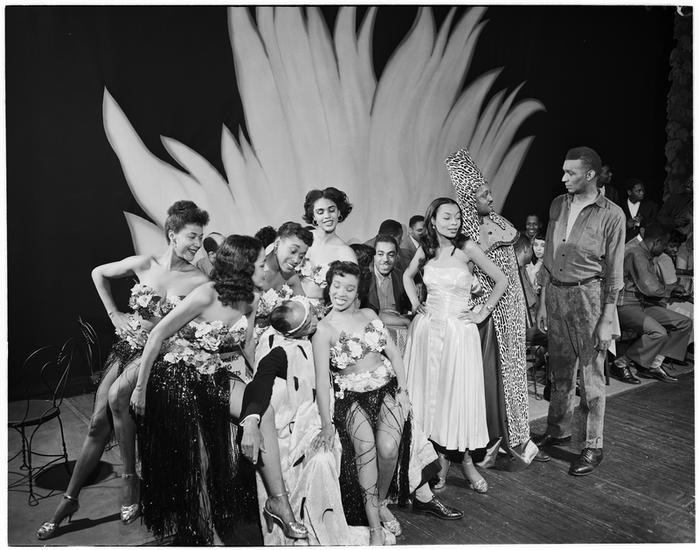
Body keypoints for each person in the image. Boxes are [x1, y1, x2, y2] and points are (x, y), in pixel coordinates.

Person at [36, 200, 210, 540]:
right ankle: (69, 500)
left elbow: (196, 323)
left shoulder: (198, 279)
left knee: (117, 400)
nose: (197, 244)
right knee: (96, 425)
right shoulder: (145, 263)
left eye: (200, 238)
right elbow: (97, 273)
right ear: (172, 234)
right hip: (125, 349)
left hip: (157, 357)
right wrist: (114, 313)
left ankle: (130, 479)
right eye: (192, 236)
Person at [130, 235, 308, 544]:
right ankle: (206, 530)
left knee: (263, 412)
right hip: (176, 377)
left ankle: (277, 501)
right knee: (199, 458)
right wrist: (140, 388)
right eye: (259, 265)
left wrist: (260, 383)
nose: (265, 270)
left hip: (212, 374)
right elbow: (157, 335)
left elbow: (248, 346)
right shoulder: (205, 295)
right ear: (242, 268)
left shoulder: (251, 299)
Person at [403, 195, 508, 493]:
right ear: (433, 220)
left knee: (458, 397)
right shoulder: (426, 249)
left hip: (459, 333)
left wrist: (482, 312)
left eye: (457, 217)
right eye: (447, 217)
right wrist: (415, 303)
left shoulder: (468, 248)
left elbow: (501, 280)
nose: (454, 223)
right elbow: (407, 276)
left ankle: (466, 462)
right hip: (427, 331)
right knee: (431, 398)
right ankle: (438, 460)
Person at [449, 149, 546, 470]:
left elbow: (515, 266)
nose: (491, 198)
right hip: (490, 315)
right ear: (468, 197)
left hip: (512, 308)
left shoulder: (498, 223)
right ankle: (496, 442)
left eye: (489, 192)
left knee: (513, 372)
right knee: (493, 378)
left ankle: (516, 437)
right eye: (484, 194)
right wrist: (481, 303)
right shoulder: (464, 234)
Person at [533, 146, 626, 476]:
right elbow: (548, 255)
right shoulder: (558, 204)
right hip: (556, 295)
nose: (563, 178)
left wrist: (606, 319)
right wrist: (543, 302)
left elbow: (614, 272)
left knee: (591, 378)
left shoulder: (612, 214)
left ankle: (592, 445)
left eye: (569, 172)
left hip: (589, 298)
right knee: (559, 371)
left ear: (590, 175)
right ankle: (558, 430)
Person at [311, 261, 413, 546]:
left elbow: (394, 354)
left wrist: (403, 390)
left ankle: (380, 502)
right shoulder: (323, 329)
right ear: (329, 287)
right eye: (336, 286)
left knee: (389, 449)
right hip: (351, 397)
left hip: (386, 387)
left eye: (349, 288)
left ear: (358, 292)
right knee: (366, 448)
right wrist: (326, 424)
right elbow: (322, 381)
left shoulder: (369, 314)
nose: (341, 293)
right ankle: (374, 528)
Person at [615, 224, 692, 383]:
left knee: (684, 323)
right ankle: (621, 363)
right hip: (625, 305)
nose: (664, 249)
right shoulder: (637, 254)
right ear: (656, 242)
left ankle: (654, 365)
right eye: (664, 245)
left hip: (642, 304)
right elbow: (651, 288)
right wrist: (671, 291)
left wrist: (671, 290)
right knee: (659, 332)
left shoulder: (644, 253)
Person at [298, 187, 357, 305]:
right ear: (313, 216)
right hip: (290, 306)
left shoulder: (346, 253)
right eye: (320, 212)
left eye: (331, 210)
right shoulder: (301, 238)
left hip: (323, 311)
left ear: (339, 212)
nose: (327, 216)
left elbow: (351, 294)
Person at [255, 222, 312, 338]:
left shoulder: (291, 276)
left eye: (301, 256)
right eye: (293, 251)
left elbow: (307, 308)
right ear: (277, 244)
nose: (296, 260)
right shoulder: (254, 273)